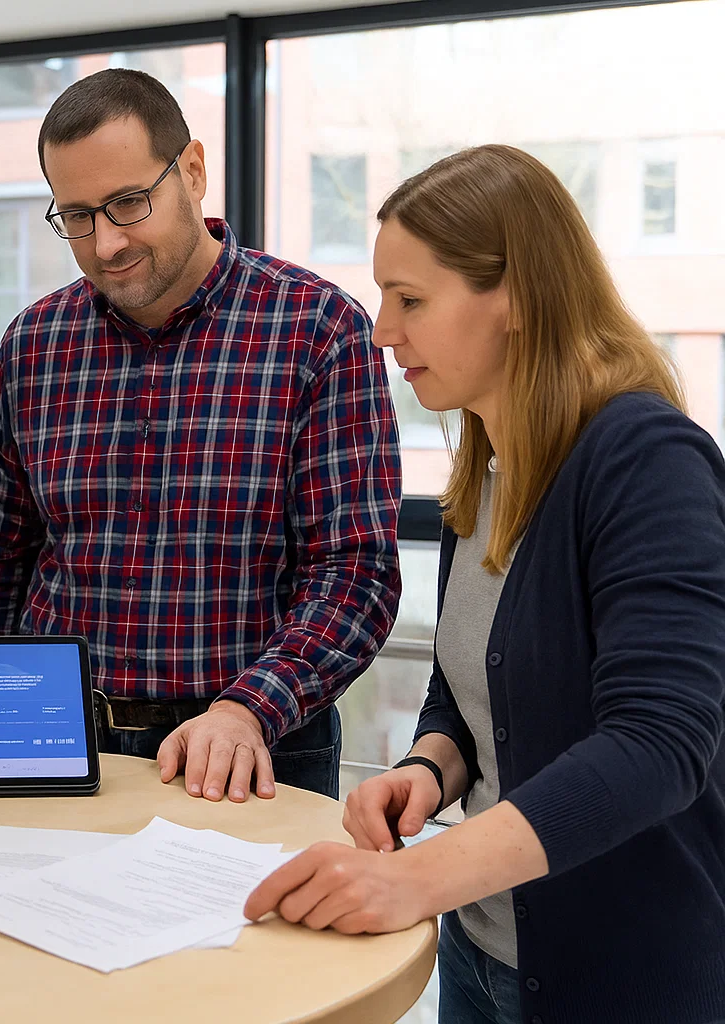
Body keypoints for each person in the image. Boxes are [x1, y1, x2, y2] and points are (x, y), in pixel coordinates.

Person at [244, 145, 725, 1023]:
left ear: (516, 299)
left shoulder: (645, 460)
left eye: (411, 300)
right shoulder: (484, 472)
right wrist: (429, 769)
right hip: (480, 951)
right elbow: (467, 692)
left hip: (621, 975)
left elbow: (662, 742)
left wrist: (411, 878)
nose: (383, 331)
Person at [0, 68, 401, 802]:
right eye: (77, 217)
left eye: (129, 202)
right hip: (56, 741)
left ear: (193, 170)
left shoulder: (318, 330)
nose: (106, 243)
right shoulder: (33, 343)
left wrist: (247, 708)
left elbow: (355, 572)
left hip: (253, 750)